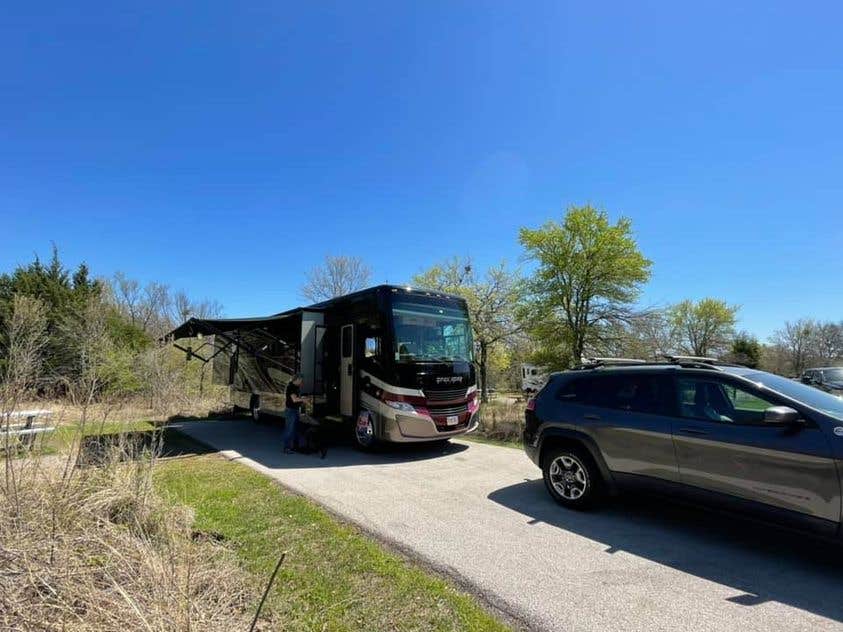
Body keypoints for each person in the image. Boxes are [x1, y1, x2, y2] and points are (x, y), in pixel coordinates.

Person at [283, 374, 306, 454]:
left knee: (296, 429)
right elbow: (294, 399)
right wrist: (303, 400)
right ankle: (287, 448)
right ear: (297, 379)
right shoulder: (291, 387)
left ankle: (295, 446)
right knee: (289, 429)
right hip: (290, 410)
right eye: (301, 380)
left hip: (295, 410)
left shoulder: (296, 387)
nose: (301, 382)